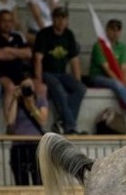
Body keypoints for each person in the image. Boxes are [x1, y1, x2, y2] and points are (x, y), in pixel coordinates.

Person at [34, 7, 87, 135]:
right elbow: (38, 58)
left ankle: (64, 123)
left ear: (67, 20)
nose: (61, 21)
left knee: (80, 88)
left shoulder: (69, 35)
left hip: (62, 73)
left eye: (63, 18)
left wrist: (77, 81)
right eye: (58, 18)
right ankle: (70, 127)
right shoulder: (44, 34)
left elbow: (74, 60)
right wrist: (38, 80)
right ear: (53, 19)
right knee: (58, 89)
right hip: (47, 72)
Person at [0, 9, 38, 121]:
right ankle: (10, 123)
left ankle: (31, 120)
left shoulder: (18, 35)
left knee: (29, 84)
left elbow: (28, 54)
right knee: (10, 87)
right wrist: (18, 53)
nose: (7, 24)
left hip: (17, 72)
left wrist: (7, 49)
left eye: (9, 21)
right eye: (4, 21)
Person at [5, 80, 47, 185]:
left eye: (29, 87)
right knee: (21, 182)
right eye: (24, 87)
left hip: (35, 145)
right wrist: (15, 98)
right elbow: (10, 121)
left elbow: (42, 120)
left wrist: (31, 105)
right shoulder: (17, 103)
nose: (27, 89)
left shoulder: (40, 101)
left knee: (39, 182)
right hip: (19, 146)